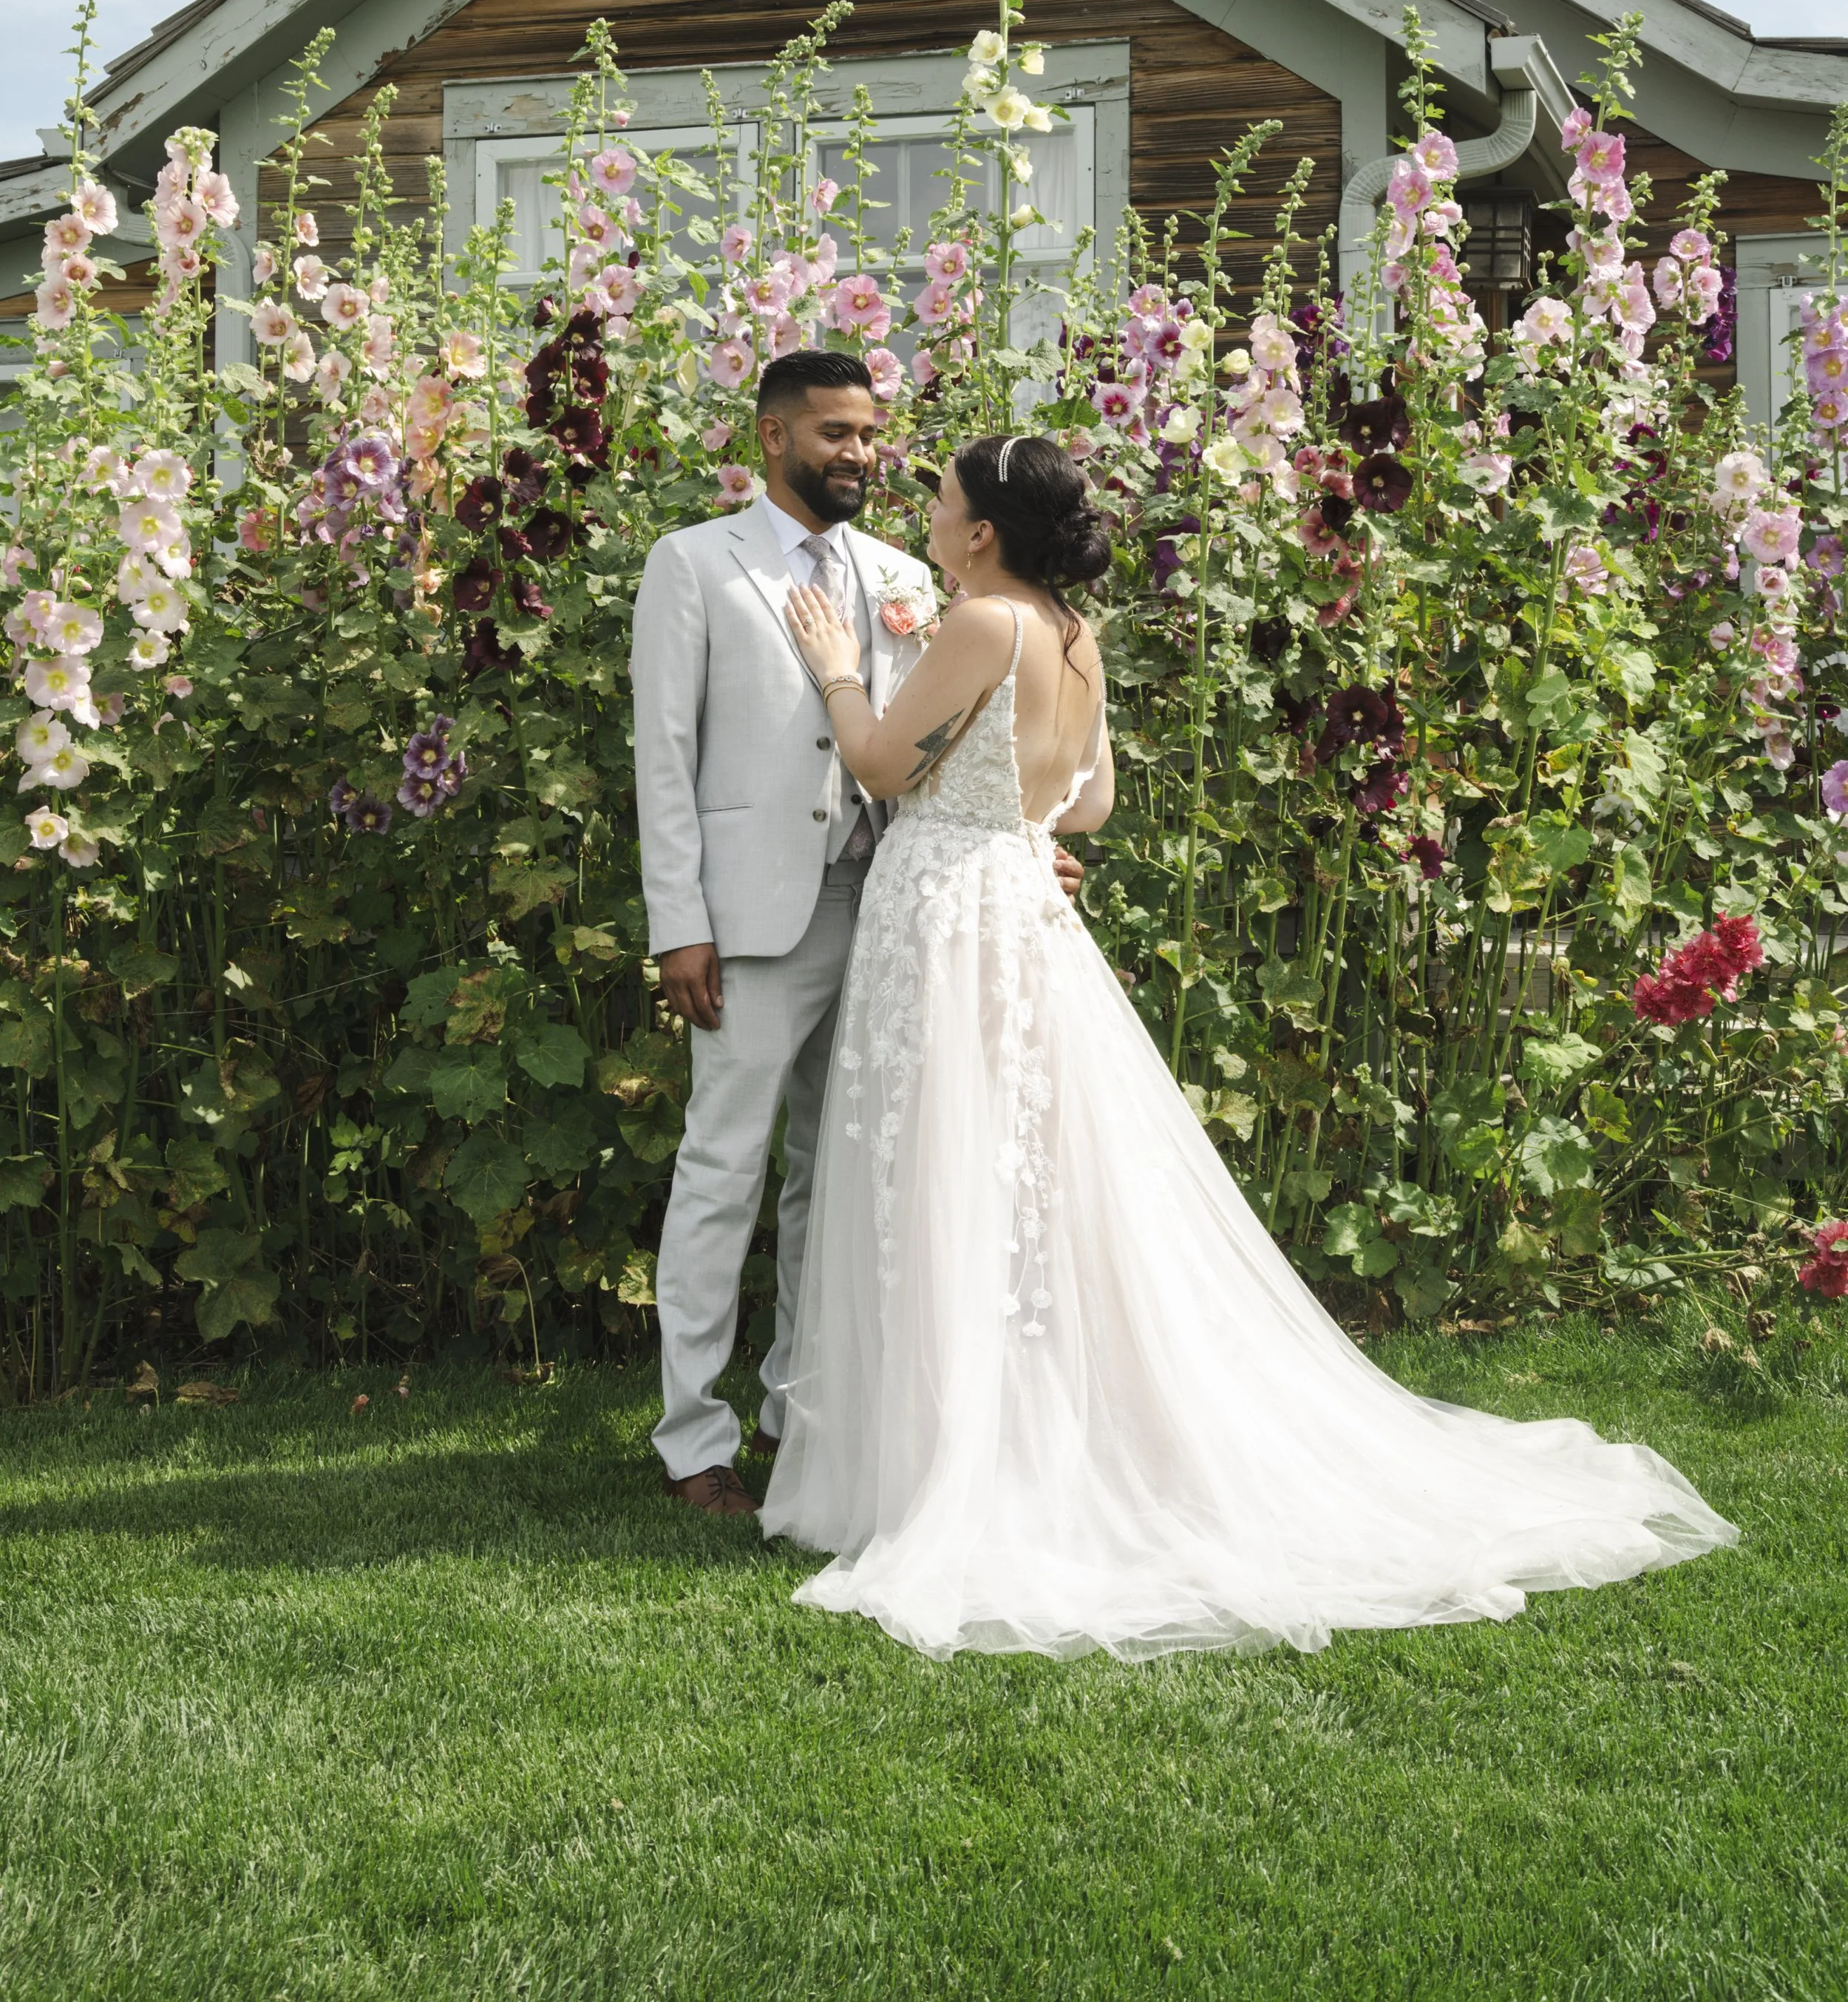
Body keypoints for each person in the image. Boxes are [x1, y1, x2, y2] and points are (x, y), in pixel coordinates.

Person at [761, 432, 1738, 1660]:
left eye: (944, 500)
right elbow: (1094, 803)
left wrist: (843, 667)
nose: (932, 512)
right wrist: (1012, 811)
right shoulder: (1073, 635)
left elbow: (872, 759)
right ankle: (1025, 1426)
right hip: (1022, 907)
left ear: (982, 533)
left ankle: (950, 1461)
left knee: (944, 1170)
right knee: (1030, 1180)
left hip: (950, 917)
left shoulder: (985, 622)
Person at [631, 353, 1078, 1519]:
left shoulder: (907, 574)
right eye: (834, 431)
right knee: (721, 1170)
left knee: (842, 1175)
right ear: (772, 434)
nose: (860, 453)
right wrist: (680, 922)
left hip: (895, 913)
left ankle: (803, 1417)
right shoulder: (693, 564)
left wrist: (1020, 832)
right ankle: (694, 1440)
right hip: (752, 920)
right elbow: (663, 759)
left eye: (871, 433)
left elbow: (953, 734)